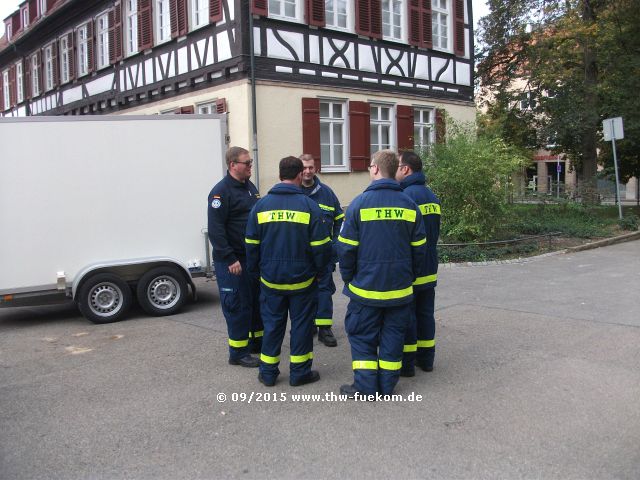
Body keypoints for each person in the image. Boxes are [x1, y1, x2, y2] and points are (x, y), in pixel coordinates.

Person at [338, 149, 426, 398]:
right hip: (399, 290)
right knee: (393, 337)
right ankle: (387, 386)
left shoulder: (357, 205)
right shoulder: (410, 205)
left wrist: (349, 278)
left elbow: (345, 250)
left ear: (375, 169)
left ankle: (365, 387)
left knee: (362, 336)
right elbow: (420, 250)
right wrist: (409, 277)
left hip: (366, 290)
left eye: (369, 167)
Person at [245, 156, 331, 387]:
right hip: (302, 282)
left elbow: (251, 246)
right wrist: (322, 272)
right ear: (298, 175)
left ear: (280, 174)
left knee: (272, 326)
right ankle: (299, 373)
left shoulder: (260, 206)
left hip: (271, 281)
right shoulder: (309, 206)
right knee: (302, 327)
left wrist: (257, 273)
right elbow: (321, 247)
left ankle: (268, 373)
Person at [207, 146, 263, 368]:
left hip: (250, 259)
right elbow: (216, 230)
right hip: (232, 262)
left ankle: (256, 342)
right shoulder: (220, 193)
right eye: (247, 163)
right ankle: (238, 353)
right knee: (237, 305)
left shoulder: (250, 187)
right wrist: (230, 259)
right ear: (233, 165)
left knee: (255, 302)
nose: (250, 166)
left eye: (251, 162)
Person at [395, 150, 441, 375]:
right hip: (430, 266)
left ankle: (408, 363)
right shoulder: (432, 196)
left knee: (408, 315)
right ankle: (427, 359)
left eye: (398, 166)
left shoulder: (406, 197)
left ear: (406, 169)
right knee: (426, 314)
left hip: (412, 266)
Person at [299, 154, 344, 347]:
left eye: (311, 167)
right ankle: (308, 325)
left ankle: (325, 328)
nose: (308, 171)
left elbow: (339, 220)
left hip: (324, 255)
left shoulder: (326, 193)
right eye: (304, 168)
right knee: (303, 292)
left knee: (324, 291)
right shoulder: (294, 192)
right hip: (301, 256)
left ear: (315, 168)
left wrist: (334, 246)